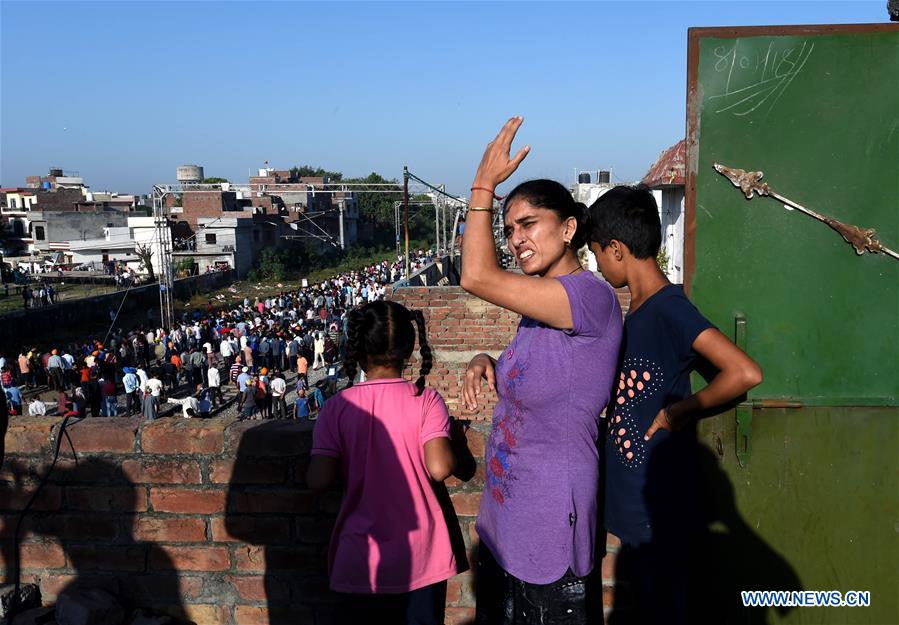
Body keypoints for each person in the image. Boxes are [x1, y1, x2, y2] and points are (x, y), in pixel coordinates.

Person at [460, 117, 622, 624]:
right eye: (509, 229)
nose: (516, 239)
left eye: (528, 224)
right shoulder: (540, 305)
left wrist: (483, 185)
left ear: (569, 228)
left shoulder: (589, 297)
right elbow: (546, 372)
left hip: (550, 527)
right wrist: (488, 361)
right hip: (508, 522)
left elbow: (476, 275)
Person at [587, 184, 763, 624]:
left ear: (617, 248)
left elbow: (744, 372)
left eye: (597, 254)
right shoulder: (638, 306)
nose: (598, 265)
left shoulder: (669, 308)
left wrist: (679, 411)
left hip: (660, 501)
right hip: (635, 495)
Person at [307, 300, 462, 625]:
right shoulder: (426, 400)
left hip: (361, 555)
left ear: (359, 348)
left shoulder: (337, 407)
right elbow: (439, 467)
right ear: (409, 350)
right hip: (420, 555)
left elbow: (318, 478)